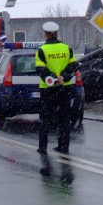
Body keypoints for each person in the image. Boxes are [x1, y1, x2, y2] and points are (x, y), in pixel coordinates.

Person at [35, 21, 78, 155]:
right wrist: (63, 77)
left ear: (46, 34)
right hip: (64, 88)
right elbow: (73, 66)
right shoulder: (67, 49)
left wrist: (53, 77)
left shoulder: (41, 50)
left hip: (48, 89)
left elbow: (41, 70)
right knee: (64, 119)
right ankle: (63, 146)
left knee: (45, 119)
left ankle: (43, 147)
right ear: (57, 34)